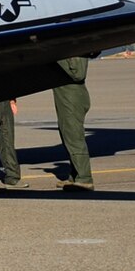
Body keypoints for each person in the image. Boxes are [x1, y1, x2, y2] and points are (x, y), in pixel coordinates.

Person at [53, 56, 94, 191]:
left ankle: (84, 179)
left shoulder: (76, 52)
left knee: (74, 138)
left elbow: (77, 73)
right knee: (68, 136)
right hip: (67, 99)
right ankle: (75, 176)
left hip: (72, 99)